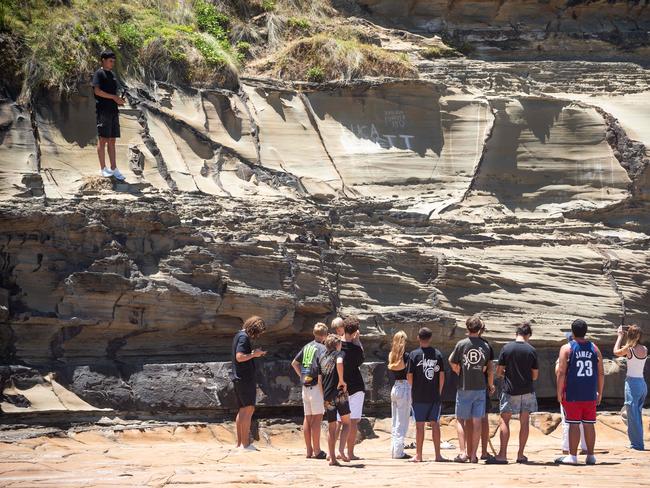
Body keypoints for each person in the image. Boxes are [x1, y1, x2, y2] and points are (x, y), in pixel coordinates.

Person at [489, 322, 539, 464]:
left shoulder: (507, 348)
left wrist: (507, 373)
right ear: (528, 335)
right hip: (527, 390)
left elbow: (498, 372)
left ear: (516, 333)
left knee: (505, 420)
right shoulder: (532, 350)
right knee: (524, 422)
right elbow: (535, 376)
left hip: (510, 390)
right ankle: (520, 455)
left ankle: (502, 455)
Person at [555, 319, 604, 466]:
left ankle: (573, 456)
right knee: (589, 424)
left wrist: (558, 392)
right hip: (590, 393)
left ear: (572, 331)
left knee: (573, 424)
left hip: (572, 393)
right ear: (586, 331)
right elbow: (601, 372)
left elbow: (561, 372)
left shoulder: (567, 348)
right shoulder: (595, 348)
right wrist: (600, 392)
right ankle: (590, 455)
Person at [449, 314, 495, 463]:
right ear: (480, 328)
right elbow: (489, 369)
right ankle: (474, 455)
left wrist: (458, 370)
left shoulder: (462, 344)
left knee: (461, 420)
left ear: (467, 327)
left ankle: (463, 453)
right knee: (477, 421)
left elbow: (452, 361)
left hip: (464, 386)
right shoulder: (486, 346)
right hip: (480, 388)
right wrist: (490, 384)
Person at [407, 327, 446, 463]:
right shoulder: (438, 354)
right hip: (434, 395)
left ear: (418, 337)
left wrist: (413, 389)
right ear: (430, 338)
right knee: (435, 424)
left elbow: (409, 376)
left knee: (420, 426)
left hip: (418, 396)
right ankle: (438, 455)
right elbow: (441, 376)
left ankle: (419, 455)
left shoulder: (413, 354)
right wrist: (439, 391)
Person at [291, 322, 328, 459]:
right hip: (316, 387)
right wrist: (324, 390)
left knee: (307, 418)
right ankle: (317, 451)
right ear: (325, 335)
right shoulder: (322, 348)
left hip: (305, 387)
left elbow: (294, 363)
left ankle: (309, 451)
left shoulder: (307, 346)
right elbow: (321, 371)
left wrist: (301, 375)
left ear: (314, 333)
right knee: (317, 419)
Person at [230, 316, 267, 451]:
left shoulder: (238, 335)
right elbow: (239, 357)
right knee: (248, 409)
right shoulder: (243, 337)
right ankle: (245, 444)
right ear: (254, 328)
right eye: (258, 332)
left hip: (239, 378)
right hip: (245, 378)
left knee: (242, 410)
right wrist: (254, 355)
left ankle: (240, 443)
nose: (257, 335)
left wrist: (252, 353)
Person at [91, 50, 126, 180]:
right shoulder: (99, 73)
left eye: (113, 61)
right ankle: (103, 168)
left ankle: (114, 168)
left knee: (112, 140)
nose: (112, 64)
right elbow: (97, 91)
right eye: (110, 61)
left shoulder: (112, 75)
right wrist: (114, 97)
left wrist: (119, 101)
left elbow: (113, 95)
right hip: (103, 111)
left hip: (113, 110)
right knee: (103, 139)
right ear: (103, 60)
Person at [318, 334, 351, 466]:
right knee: (347, 423)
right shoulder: (339, 354)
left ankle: (332, 458)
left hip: (327, 395)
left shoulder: (322, 357)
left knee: (331, 427)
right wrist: (342, 380)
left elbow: (319, 379)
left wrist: (323, 395)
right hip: (339, 393)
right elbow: (339, 362)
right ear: (336, 345)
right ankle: (341, 451)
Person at [613, 324, 647, 451]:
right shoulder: (644, 349)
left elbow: (616, 352)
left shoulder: (629, 350)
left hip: (632, 384)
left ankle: (637, 445)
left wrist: (620, 336)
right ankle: (637, 441)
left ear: (630, 335)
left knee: (632, 415)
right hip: (642, 384)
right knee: (635, 414)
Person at [337, 316, 365, 461]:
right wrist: (357, 340)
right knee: (353, 421)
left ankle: (335, 450)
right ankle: (350, 452)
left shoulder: (336, 345)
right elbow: (360, 359)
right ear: (355, 332)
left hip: (340, 386)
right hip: (356, 386)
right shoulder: (356, 348)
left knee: (339, 421)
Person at [556, 333, 587, 455]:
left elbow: (559, 372)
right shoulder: (588, 352)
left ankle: (566, 447)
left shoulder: (565, 353)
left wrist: (559, 392)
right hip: (585, 390)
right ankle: (585, 448)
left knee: (568, 421)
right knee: (585, 421)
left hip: (569, 392)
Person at [388, 330, 411, 459]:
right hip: (404, 387)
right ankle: (398, 452)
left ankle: (394, 449)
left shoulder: (392, 355)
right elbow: (409, 374)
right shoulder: (406, 357)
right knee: (402, 422)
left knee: (395, 420)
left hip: (395, 386)